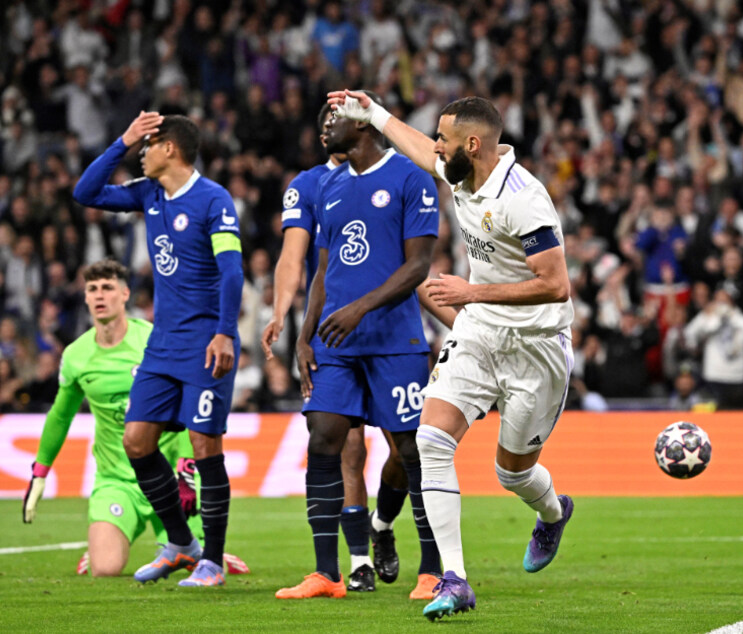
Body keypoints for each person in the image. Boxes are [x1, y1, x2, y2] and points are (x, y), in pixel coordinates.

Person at [329, 91, 575, 621]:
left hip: (536, 348)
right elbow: (420, 149)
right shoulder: (464, 172)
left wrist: (472, 292)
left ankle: (553, 512)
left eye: (444, 137)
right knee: (431, 439)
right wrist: (372, 113)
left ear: (471, 143)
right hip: (482, 334)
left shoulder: (524, 198)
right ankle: (455, 578)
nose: (437, 147)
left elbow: (555, 285)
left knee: (512, 474)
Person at [276, 91, 442, 601]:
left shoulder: (411, 178)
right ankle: (326, 573)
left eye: (335, 118)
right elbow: (323, 270)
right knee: (323, 438)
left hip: (394, 340)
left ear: (364, 126)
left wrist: (359, 309)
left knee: (412, 450)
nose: (325, 127)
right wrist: (304, 337)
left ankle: (432, 570)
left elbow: (418, 267)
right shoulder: (326, 185)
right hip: (334, 344)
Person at [72, 111, 244, 586]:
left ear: (170, 148)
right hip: (164, 344)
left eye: (147, 145)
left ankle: (212, 558)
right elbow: (85, 192)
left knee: (205, 444)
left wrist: (225, 331)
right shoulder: (148, 194)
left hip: (208, 341)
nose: (141, 154)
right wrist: (122, 140)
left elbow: (231, 271)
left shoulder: (213, 199)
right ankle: (180, 544)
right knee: (136, 440)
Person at [21, 260, 249, 578]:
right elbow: (61, 414)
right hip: (117, 482)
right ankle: (105, 545)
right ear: (85, 297)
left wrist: (186, 468)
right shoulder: (76, 355)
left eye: (108, 287)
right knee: (106, 568)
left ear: (125, 294)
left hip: (168, 478)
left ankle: (208, 551)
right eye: (92, 289)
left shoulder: (153, 342)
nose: (100, 295)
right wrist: (40, 471)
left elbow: (188, 402)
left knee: (198, 563)